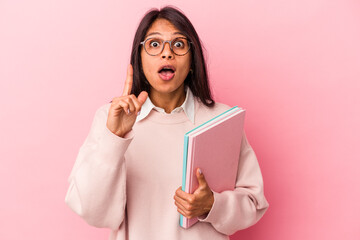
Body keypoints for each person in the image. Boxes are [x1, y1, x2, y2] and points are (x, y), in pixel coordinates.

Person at [65, 6, 269, 240]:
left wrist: (213, 204)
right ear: (139, 59)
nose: (167, 53)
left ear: (192, 61)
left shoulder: (221, 121)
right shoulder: (111, 118)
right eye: (154, 44)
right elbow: (92, 212)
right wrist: (114, 138)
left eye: (179, 44)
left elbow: (255, 203)